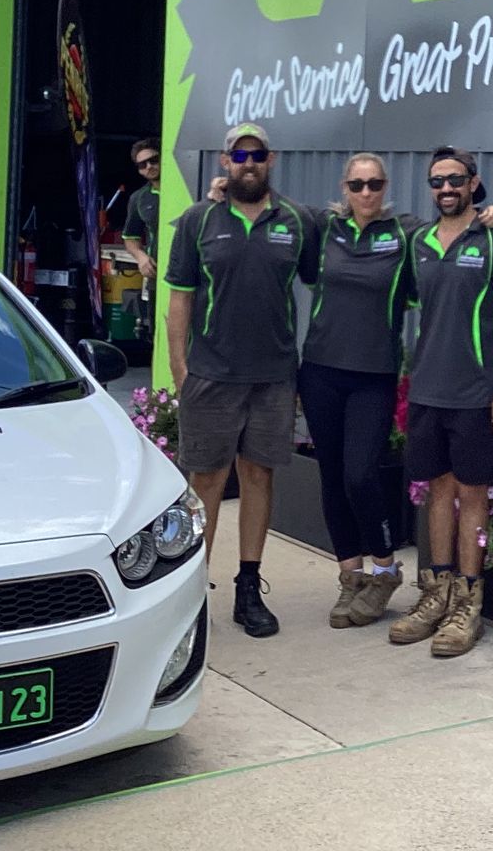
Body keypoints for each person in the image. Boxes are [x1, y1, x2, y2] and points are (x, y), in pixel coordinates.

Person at [205, 155, 493, 630]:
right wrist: (226, 186)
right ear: (344, 187)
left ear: (386, 187)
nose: (366, 193)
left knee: (361, 475)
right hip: (321, 371)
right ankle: (350, 577)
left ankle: (384, 569)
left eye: (375, 184)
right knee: (331, 478)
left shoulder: (406, 232)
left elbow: (452, 226)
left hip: (374, 374)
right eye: (357, 185)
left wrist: (488, 214)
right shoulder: (321, 226)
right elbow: (268, 205)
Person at [164, 123, 319, 638]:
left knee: (258, 476)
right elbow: (180, 299)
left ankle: (248, 587)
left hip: (273, 376)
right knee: (205, 481)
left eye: (256, 154)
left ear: (270, 160)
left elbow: (324, 277)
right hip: (210, 376)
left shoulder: (296, 221)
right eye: (238, 154)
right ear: (226, 161)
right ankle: (191, 591)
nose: (247, 162)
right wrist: (180, 368)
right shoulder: (197, 220)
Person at [389, 146, 493, 658]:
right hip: (429, 391)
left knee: (473, 496)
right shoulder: (421, 242)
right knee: (437, 491)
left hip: (478, 394)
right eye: (437, 182)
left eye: (455, 179)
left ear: (474, 183)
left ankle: (467, 606)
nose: (446, 189)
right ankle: (436, 595)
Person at [122, 137, 164, 340]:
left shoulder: (187, 185)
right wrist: (141, 257)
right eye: (142, 164)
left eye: (154, 160)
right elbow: (130, 237)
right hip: (157, 276)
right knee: (157, 332)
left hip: (193, 272)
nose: (149, 167)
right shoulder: (139, 198)